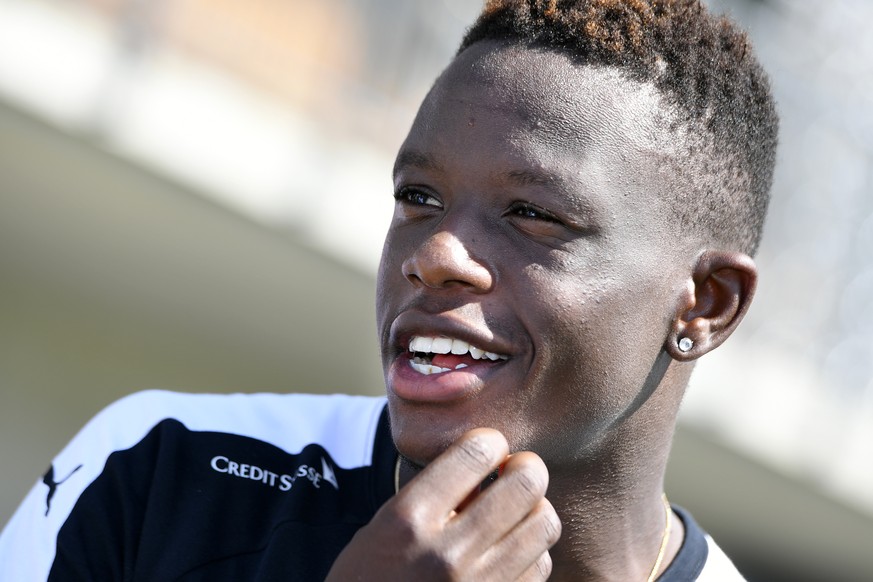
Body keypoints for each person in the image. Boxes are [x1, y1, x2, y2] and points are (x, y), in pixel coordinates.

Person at [0, 0, 778, 580]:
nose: (435, 252)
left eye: (533, 213)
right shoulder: (166, 471)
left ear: (705, 303)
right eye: (418, 197)